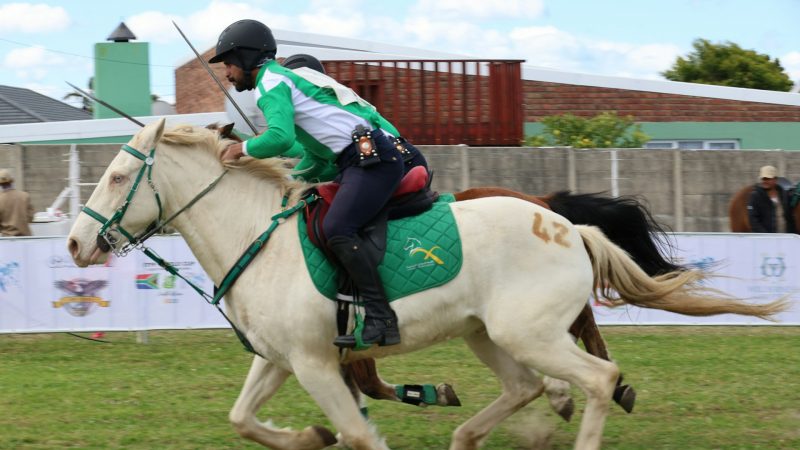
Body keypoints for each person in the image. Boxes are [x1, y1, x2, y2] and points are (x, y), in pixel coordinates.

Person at [211, 20, 423, 349]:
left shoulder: (271, 84)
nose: (227, 73)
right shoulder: (280, 81)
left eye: (229, 63)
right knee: (323, 218)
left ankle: (382, 318)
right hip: (357, 158)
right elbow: (310, 155)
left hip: (372, 157)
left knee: (338, 227)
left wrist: (241, 149)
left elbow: (279, 139)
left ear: (247, 56)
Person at [747, 165, 796, 233]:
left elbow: (789, 217)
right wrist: (766, 237)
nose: (765, 181)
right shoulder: (755, 196)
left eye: (768, 179)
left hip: (784, 238)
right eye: (763, 179)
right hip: (767, 239)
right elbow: (753, 220)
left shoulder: (784, 194)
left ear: (775, 179)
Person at [0, 169, 34, 237]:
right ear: (12, 181)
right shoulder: (25, 196)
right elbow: (30, 218)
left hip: (7, 240)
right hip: (25, 238)